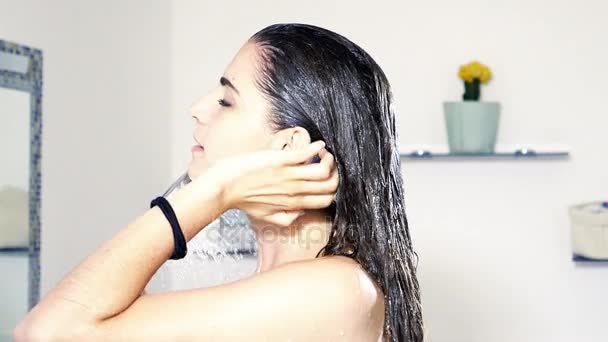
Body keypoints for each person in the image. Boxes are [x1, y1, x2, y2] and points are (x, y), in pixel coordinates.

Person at [14, 23, 424, 342]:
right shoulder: (269, 284)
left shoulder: (338, 289)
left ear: (291, 147)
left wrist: (214, 191)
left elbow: (49, 332)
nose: (197, 109)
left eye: (226, 101)